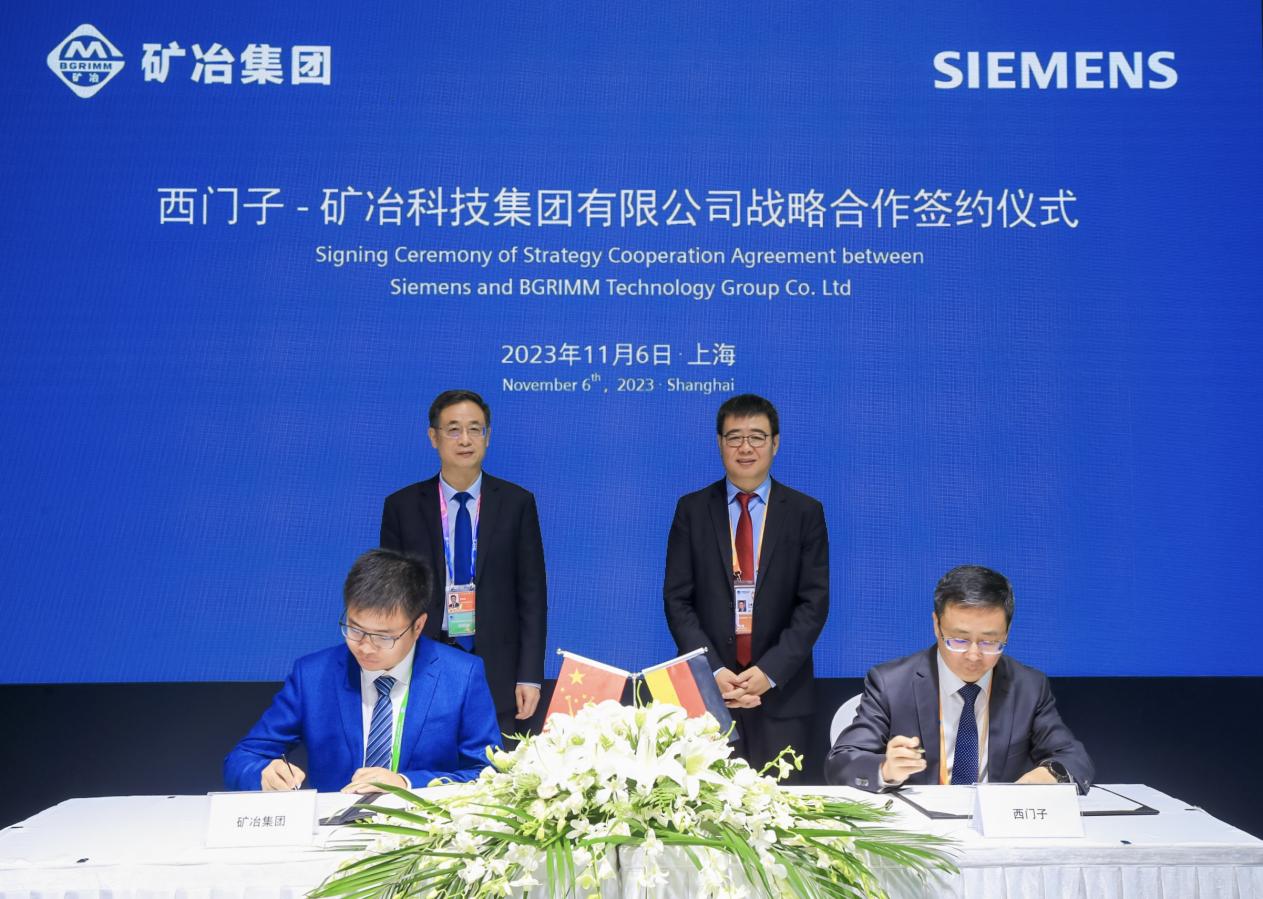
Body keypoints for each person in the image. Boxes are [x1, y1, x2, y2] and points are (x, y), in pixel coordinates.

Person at [223, 548, 500, 792]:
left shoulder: (461, 676)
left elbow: (488, 774)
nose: (365, 647)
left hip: (423, 828)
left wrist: (406, 784)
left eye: (383, 637)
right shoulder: (313, 676)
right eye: (354, 629)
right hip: (334, 827)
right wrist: (263, 774)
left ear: (418, 626)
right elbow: (242, 758)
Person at [664, 394, 829, 776]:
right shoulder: (692, 510)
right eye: (734, 437)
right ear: (719, 443)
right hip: (709, 696)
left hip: (783, 696)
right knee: (706, 805)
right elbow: (677, 600)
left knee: (782, 808)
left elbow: (813, 603)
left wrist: (768, 673)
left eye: (757, 437)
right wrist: (713, 672)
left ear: (775, 443)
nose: (745, 447)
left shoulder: (805, 512)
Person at [825, 565, 1094, 793]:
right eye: (959, 640)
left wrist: (1049, 775)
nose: (974, 655)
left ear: (1007, 631)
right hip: (919, 827)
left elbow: (1074, 759)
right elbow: (841, 762)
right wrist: (885, 768)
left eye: (989, 641)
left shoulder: (1028, 687)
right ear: (936, 625)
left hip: (997, 826)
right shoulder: (891, 684)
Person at [380, 390, 547, 739]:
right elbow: (390, 598)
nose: (465, 440)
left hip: (497, 670)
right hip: (422, 664)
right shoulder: (402, 507)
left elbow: (532, 597)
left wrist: (530, 675)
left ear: (488, 436)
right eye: (453, 429)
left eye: (475, 429)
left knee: (493, 764)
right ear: (433, 437)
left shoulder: (516, 503)